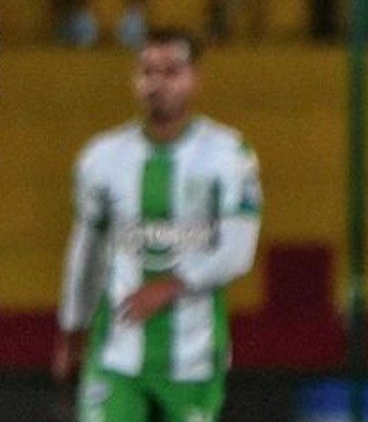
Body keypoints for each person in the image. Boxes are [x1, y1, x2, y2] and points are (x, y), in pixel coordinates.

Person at [52, 28, 262, 422]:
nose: (157, 83)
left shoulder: (229, 155)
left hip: (194, 358)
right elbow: (86, 252)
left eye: (171, 71)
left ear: (195, 78)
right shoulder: (102, 158)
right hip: (116, 354)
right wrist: (71, 329)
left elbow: (237, 251)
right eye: (148, 71)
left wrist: (169, 286)